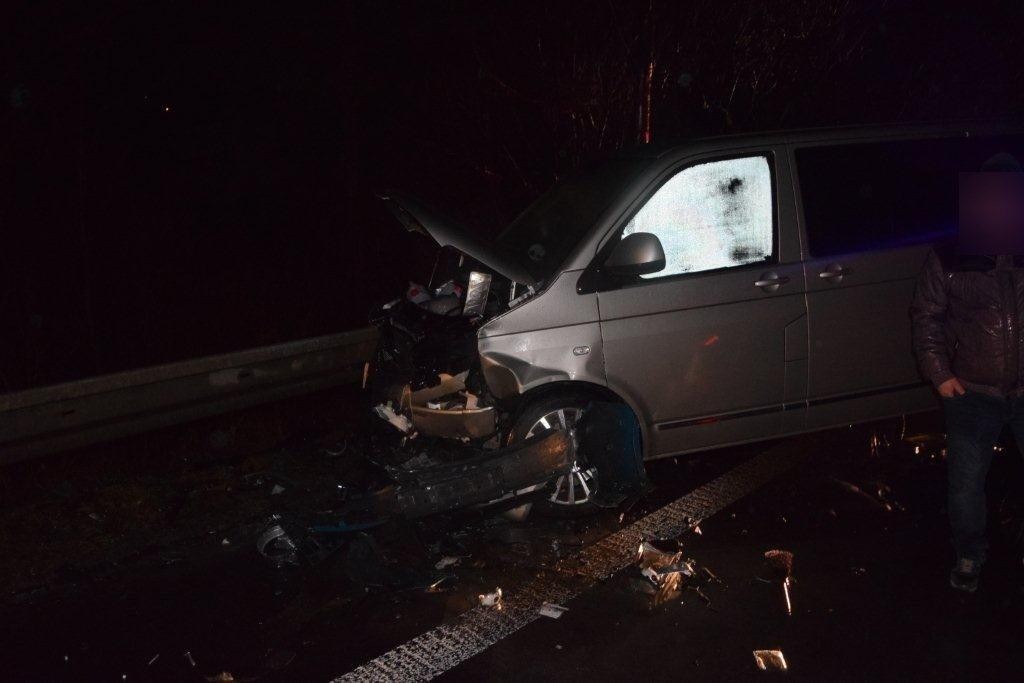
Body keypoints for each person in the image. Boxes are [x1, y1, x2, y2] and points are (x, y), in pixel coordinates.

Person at [911, 152, 1024, 593]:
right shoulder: (950, 254)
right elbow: (926, 316)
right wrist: (939, 373)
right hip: (973, 391)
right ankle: (970, 554)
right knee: (965, 484)